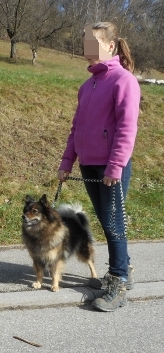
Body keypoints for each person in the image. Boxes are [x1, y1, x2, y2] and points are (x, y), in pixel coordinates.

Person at [58, 22, 140, 312]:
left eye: (93, 41)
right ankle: (124, 270)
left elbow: (127, 128)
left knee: (114, 224)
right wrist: (67, 162)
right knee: (107, 222)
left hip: (110, 167)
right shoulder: (87, 85)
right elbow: (76, 127)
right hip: (89, 165)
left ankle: (118, 282)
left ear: (110, 46)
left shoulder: (124, 80)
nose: (87, 47)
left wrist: (115, 166)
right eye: (84, 42)